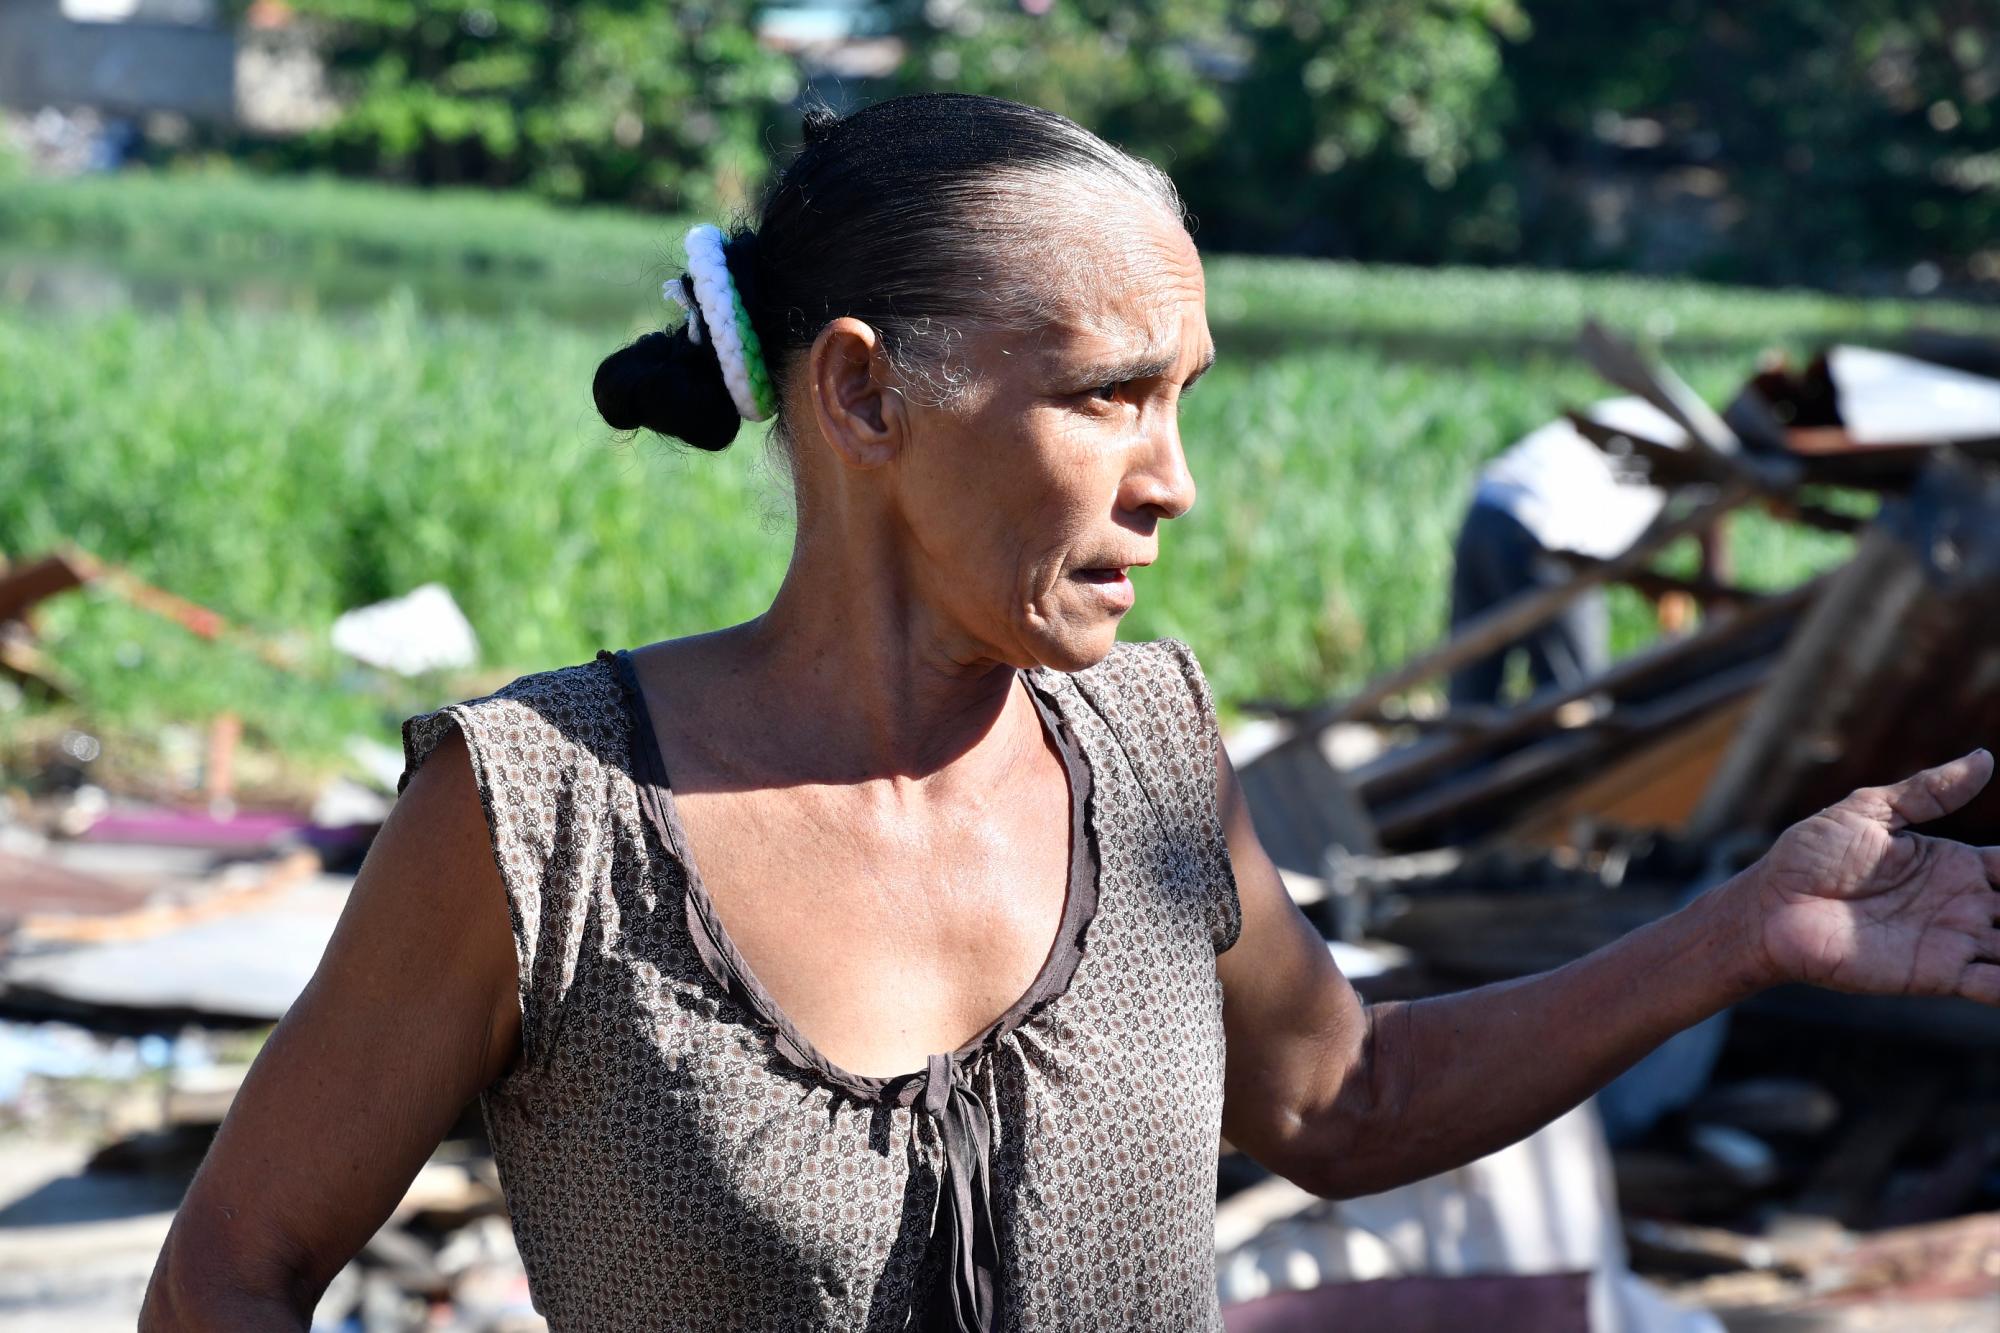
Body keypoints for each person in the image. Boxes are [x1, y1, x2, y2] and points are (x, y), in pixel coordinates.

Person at [140, 94, 2000, 1333]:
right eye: (1111, 394)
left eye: (1182, 395)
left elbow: (1347, 1098)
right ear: (865, 397)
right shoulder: (544, 814)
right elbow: (241, 1258)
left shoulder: (1149, 747)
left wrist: (1751, 925)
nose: (1174, 476)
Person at [1449, 396, 1692, 706]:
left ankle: (1470, 753)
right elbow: (1672, 547)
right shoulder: (1693, 451)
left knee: (1471, 698)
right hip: (1547, 535)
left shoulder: (1647, 414)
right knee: (1578, 702)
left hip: (1485, 508)